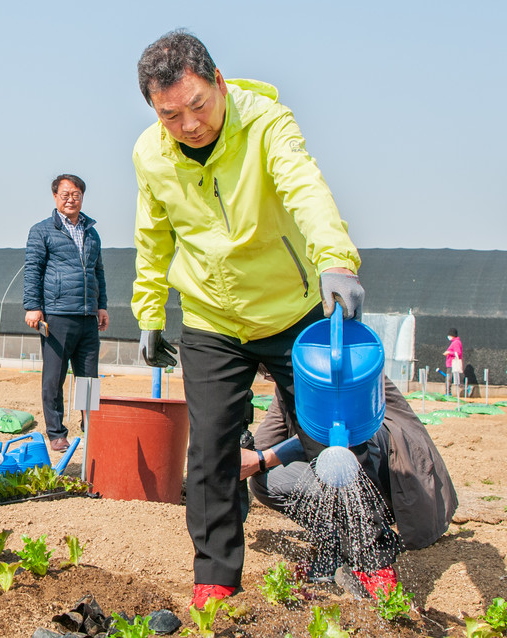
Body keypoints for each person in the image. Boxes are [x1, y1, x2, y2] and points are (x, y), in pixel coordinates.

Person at [131, 30, 367, 607]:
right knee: (210, 450)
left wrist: (335, 258)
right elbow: (153, 235)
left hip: (291, 310)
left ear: (218, 82)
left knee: (331, 436)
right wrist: (149, 311)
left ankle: (362, 557)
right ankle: (215, 577)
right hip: (213, 317)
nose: (188, 125)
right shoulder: (149, 155)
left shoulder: (266, 122)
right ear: (153, 111)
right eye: (170, 115)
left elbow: (305, 187)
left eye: (198, 106)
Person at [244, 379, 458, 594]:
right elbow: (262, 446)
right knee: (265, 482)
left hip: (395, 476)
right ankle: (339, 546)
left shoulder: (339, 365)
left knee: (342, 454)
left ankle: (372, 553)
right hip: (357, 477)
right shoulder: (287, 385)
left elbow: (335, 434)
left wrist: (263, 458)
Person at [23, 174, 109, 452]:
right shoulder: (42, 230)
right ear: (55, 197)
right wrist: (32, 306)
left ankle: (90, 424)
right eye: (65, 194)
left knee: (88, 378)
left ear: (82, 197)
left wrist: (102, 305)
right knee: (54, 377)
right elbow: (33, 269)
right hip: (57, 314)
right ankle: (57, 432)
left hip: (87, 316)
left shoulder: (91, 232)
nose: (71, 199)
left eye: (76, 194)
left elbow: (98, 272)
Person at [442, 328, 463, 396]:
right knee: (451, 378)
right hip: (451, 363)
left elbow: (458, 353)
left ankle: (448, 393)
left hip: (452, 363)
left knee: (449, 378)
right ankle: (448, 392)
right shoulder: (454, 342)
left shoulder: (456, 343)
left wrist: (449, 352)